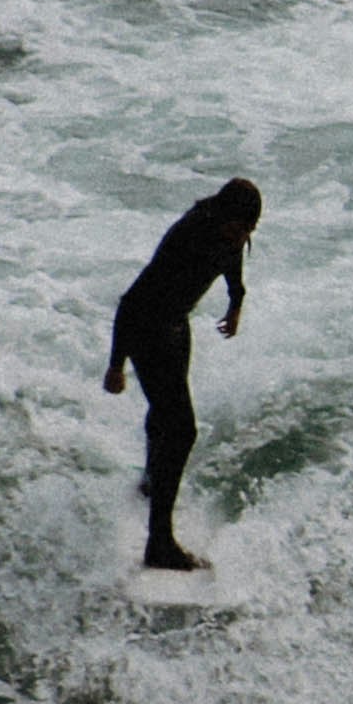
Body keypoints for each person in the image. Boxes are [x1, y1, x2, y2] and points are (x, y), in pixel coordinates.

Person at [106, 178, 261, 571]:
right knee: (182, 429)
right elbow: (131, 300)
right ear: (222, 216)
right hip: (145, 329)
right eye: (238, 227)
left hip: (175, 327)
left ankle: (150, 481)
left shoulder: (231, 235)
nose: (242, 237)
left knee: (166, 413)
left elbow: (233, 260)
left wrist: (235, 303)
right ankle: (159, 545)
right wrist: (116, 364)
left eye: (248, 231)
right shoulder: (188, 237)